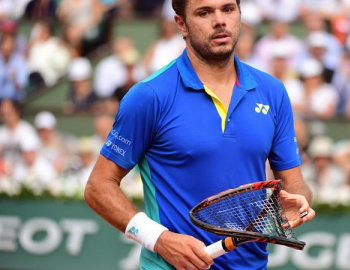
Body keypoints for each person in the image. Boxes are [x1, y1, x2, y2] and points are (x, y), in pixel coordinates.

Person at [84, 1, 315, 270]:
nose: (220, 21)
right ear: (181, 23)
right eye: (204, 12)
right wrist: (159, 239)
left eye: (228, 9)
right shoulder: (149, 96)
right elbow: (98, 187)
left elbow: (295, 184)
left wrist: (297, 203)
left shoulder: (273, 92)